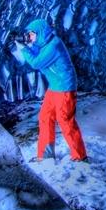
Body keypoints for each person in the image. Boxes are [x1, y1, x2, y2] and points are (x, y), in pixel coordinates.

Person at [14, 17, 88, 163]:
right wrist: (27, 44)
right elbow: (37, 51)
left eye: (31, 34)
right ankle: (45, 155)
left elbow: (36, 62)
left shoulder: (54, 45)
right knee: (45, 117)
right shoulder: (45, 44)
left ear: (40, 33)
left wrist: (23, 48)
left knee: (65, 120)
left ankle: (80, 156)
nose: (30, 37)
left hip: (65, 88)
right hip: (55, 87)